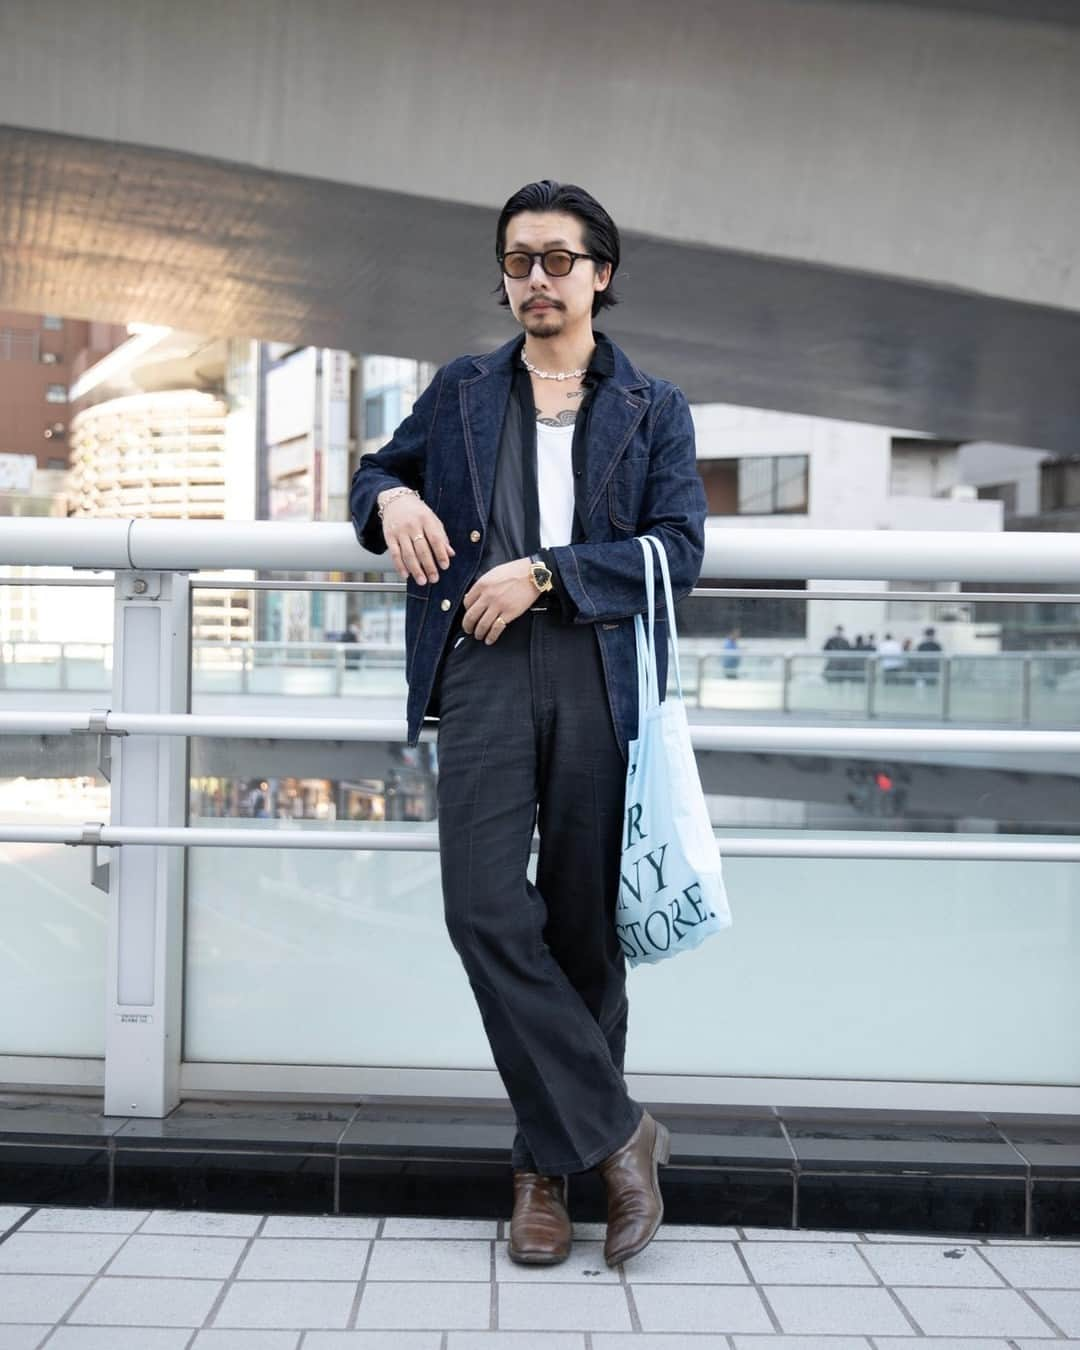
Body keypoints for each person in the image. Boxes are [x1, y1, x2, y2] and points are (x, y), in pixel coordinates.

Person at [349, 180, 706, 1270]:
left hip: (598, 670)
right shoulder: (461, 389)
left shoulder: (654, 407)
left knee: (585, 931)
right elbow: (376, 472)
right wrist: (391, 502)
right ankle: (617, 1133)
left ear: (601, 272)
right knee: (481, 907)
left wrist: (550, 573)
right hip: (485, 671)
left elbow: (677, 551)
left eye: (558, 259)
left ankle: (543, 1175)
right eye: (518, 261)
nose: (536, 280)